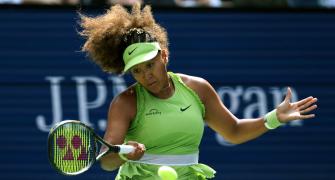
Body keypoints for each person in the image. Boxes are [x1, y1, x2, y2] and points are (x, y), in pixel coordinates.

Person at [79, 3, 318, 179]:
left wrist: (274, 118)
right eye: (137, 71)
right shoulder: (126, 102)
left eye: (150, 65)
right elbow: (106, 161)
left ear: (164, 55)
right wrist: (123, 153)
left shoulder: (197, 89)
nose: (146, 75)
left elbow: (233, 131)